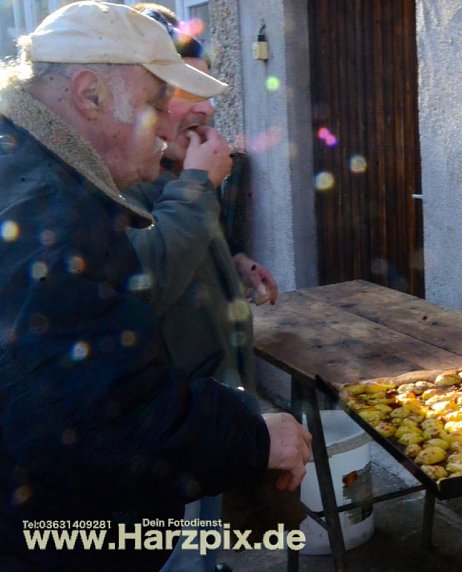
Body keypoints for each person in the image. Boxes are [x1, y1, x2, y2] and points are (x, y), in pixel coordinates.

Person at [0, 3, 310, 570]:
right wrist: (250, 437)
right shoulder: (44, 212)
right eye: (154, 104)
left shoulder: (42, 174)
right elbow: (99, 418)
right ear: (90, 95)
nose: (170, 124)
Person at [124, 5, 297, 570]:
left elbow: (195, 242)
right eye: (180, 88)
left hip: (209, 401)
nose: (205, 106)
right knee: (174, 550)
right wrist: (199, 184)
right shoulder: (125, 179)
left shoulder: (177, 170)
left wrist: (237, 263)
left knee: (201, 536)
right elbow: (145, 279)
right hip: (164, 430)